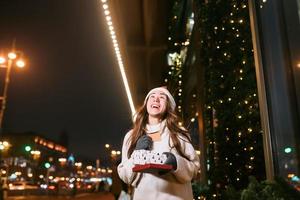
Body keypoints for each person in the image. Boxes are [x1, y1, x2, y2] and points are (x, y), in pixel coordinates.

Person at [117, 87, 200, 200]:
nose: (156, 99)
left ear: (168, 106)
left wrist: (176, 162)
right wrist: (136, 154)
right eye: (152, 96)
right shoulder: (132, 136)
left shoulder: (179, 133)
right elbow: (125, 176)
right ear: (146, 104)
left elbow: (194, 169)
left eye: (161, 97)